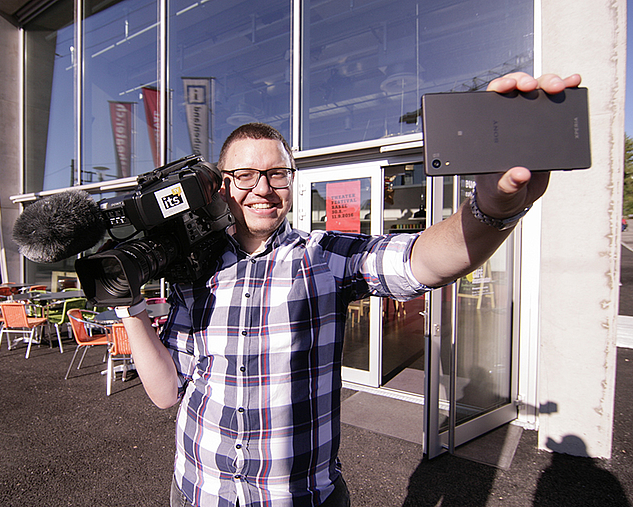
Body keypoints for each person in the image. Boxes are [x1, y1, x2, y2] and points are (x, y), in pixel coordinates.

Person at [118, 72, 582, 507]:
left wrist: (491, 208)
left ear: (291, 181)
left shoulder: (323, 256)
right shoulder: (195, 268)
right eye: (244, 175)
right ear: (222, 186)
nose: (261, 188)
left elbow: (422, 260)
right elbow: (167, 392)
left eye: (276, 174)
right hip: (200, 491)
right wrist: (128, 306)